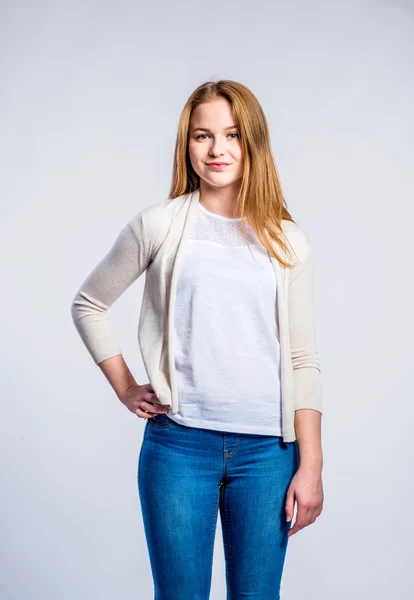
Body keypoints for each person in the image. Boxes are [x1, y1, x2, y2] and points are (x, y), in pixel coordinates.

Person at [71, 79, 324, 600]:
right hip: (179, 446)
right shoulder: (159, 225)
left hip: (269, 455)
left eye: (232, 134)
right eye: (202, 135)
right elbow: (89, 303)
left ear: (252, 142)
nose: (217, 149)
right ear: (186, 144)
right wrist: (124, 386)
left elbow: (301, 357)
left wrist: (312, 464)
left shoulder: (287, 239)